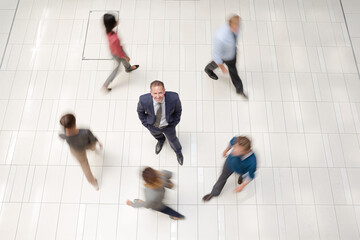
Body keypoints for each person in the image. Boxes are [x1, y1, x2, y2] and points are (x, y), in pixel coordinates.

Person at [137, 80, 184, 165]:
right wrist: (147, 124)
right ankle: (161, 141)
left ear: (164, 91)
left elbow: (178, 111)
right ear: (151, 93)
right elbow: (140, 112)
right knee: (157, 135)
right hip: (153, 125)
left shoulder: (174, 97)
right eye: (155, 93)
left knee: (173, 140)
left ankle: (178, 152)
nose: (158, 96)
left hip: (168, 125)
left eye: (160, 93)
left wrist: (174, 124)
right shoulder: (143, 100)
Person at [204, 14, 247, 99]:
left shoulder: (237, 28)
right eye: (235, 27)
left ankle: (239, 89)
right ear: (230, 25)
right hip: (225, 56)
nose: (237, 29)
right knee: (220, 65)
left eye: (238, 26)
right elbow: (216, 55)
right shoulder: (220, 37)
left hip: (232, 53)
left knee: (233, 71)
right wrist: (222, 68)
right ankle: (208, 69)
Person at [202, 136, 256, 201]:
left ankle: (241, 177)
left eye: (238, 150)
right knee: (222, 177)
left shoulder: (252, 162)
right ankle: (214, 193)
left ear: (245, 151)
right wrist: (226, 151)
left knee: (243, 175)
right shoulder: (237, 140)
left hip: (241, 170)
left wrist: (242, 186)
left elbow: (250, 175)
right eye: (235, 147)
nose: (233, 151)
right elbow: (231, 143)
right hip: (229, 164)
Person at [59, 113, 102, 190]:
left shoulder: (65, 135)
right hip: (87, 145)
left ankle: (94, 183)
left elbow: (61, 136)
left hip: (76, 151)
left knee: (85, 166)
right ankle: (94, 149)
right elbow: (93, 139)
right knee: (92, 146)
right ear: (74, 123)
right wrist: (98, 142)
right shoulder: (85, 132)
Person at [103, 13, 139, 91]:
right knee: (118, 67)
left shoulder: (108, 31)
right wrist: (125, 56)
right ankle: (107, 83)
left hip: (114, 51)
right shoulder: (115, 38)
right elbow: (118, 51)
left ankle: (128, 68)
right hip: (118, 52)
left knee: (124, 61)